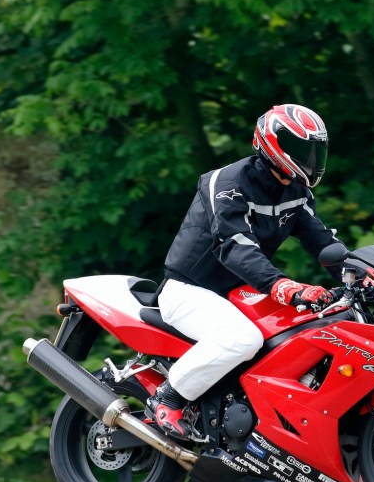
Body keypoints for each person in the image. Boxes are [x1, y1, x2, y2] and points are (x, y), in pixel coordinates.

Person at [145, 103, 346, 440]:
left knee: (306, 328)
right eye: (303, 149)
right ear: (275, 145)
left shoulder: (296, 193)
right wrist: (282, 285)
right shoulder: (227, 183)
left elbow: (322, 241)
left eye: (316, 150)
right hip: (189, 289)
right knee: (244, 338)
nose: (311, 159)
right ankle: (168, 398)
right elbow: (234, 244)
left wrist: (359, 275)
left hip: (239, 294)